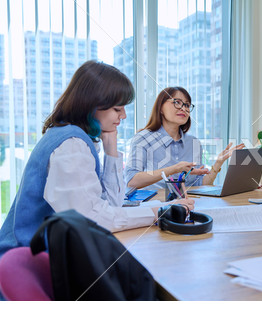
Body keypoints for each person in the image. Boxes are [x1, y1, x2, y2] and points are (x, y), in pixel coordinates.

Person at [0, 61, 194, 260]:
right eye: (118, 109)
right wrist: (159, 212)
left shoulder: (78, 138)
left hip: (49, 255)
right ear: (92, 106)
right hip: (31, 262)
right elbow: (93, 219)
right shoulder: (71, 144)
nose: (124, 115)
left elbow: (111, 204)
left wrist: (111, 148)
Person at [125, 86, 244, 190]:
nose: (183, 108)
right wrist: (175, 169)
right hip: (155, 207)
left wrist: (218, 163)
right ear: (160, 108)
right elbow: (131, 181)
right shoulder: (143, 138)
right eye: (177, 102)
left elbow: (199, 184)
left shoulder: (193, 142)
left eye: (187, 105)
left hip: (187, 205)